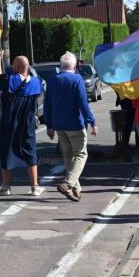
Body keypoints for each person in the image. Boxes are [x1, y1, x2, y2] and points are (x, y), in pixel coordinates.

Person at [44, 52, 97, 202]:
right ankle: (68, 184)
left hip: (59, 124)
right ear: (74, 66)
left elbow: (47, 104)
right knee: (81, 154)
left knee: (68, 155)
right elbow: (83, 103)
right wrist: (92, 121)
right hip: (75, 123)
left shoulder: (52, 80)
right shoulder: (76, 79)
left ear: (61, 66)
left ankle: (76, 188)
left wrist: (49, 125)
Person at [0, 52, 44, 196]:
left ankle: (6, 187)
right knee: (30, 153)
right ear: (27, 67)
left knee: (6, 153)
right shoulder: (36, 82)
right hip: (28, 124)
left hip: (10, 124)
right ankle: (35, 186)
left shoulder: (12, 80)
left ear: (16, 67)